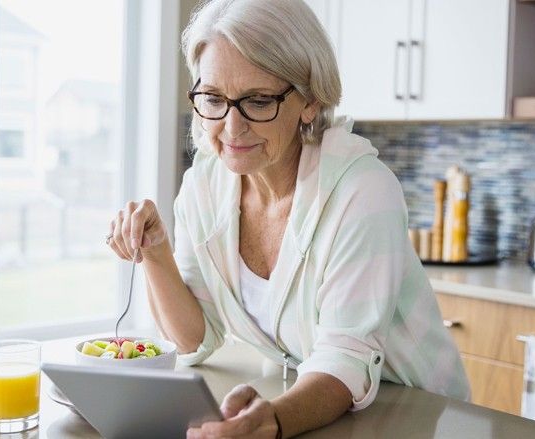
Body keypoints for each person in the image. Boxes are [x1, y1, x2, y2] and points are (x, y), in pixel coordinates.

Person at [106, 0, 470, 437]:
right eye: (213, 99)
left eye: (258, 101)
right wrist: (156, 253)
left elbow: (344, 359)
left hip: (415, 413)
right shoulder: (204, 185)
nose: (230, 127)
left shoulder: (362, 191)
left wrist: (273, 420)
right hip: (318, 406)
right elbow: (195, 339)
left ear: (311, 102)